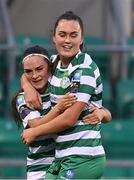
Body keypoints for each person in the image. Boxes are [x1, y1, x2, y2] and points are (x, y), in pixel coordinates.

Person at [21, 11, 112, 179]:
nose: (67, 40)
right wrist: (27, 86)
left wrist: (35, 132)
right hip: (63, 157)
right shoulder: (54, 63)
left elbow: (69, 119)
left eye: (73, 35)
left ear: (82, 38)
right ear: (54, 37)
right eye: (62, 35)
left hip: (83, 157)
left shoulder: (84, 69)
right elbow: (32, 70)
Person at [12, 45, 78, 180]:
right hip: (40, 168)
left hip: (67, 163)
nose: (35, 76)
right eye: (28, 72)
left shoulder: (60, 85)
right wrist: (58, 109)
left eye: (39, 69)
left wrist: (103, 113)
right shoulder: (22, 98)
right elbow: (36, 126)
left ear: (49, 67)